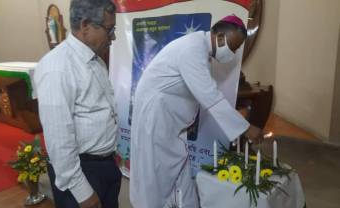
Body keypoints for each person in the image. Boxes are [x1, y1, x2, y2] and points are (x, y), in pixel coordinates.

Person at [130, 15, 263, 208]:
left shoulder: (200, 50)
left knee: (178, 166)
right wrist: (245, 128)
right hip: (156, 119)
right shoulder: (192, 49)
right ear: (218, 36)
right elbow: (210, 95)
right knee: (156, 175)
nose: (232, 53)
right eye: (232, 47)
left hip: (170, 121)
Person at [34, 0, 121, 208]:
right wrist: (82, 192)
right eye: (110, 30)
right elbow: (59, 140)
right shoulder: (57, 67)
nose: (114, 37)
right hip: (81, 174)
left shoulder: (96, 60)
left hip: (105, 165)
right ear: (85, 26)